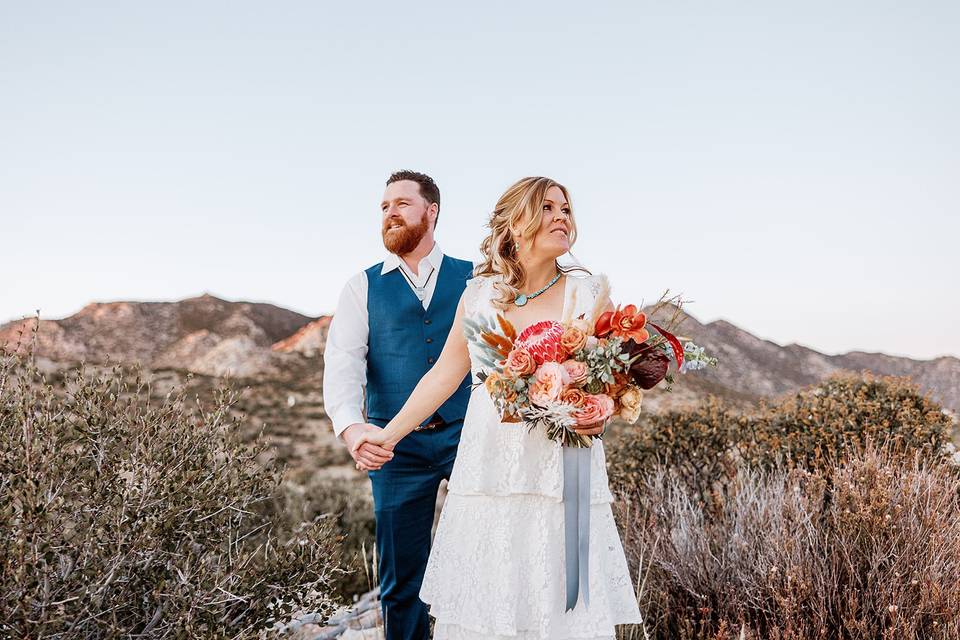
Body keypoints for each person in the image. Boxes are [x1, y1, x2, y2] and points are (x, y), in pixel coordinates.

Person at [351, 176, 643, 639]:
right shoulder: (480, 293)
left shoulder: (587, 293)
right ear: (516, 222)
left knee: (559, 591)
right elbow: (445, 376)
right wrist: (386, 435)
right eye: (547, 208)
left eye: (566, 209)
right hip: (491, 463)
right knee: (494, 591)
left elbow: (613, 380)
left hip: (560, 464)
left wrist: (602, 407)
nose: (561, 217)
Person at [322, 170, 475, 640]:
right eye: (384, 206)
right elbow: (342, 364)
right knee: (401, 580)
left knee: (486, 560)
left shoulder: (477, 278)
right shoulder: (361, 287)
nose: (390, 213)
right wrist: (353, 430)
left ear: (432, 212)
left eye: (402, 204)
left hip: (469, 436)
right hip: (394, 448)